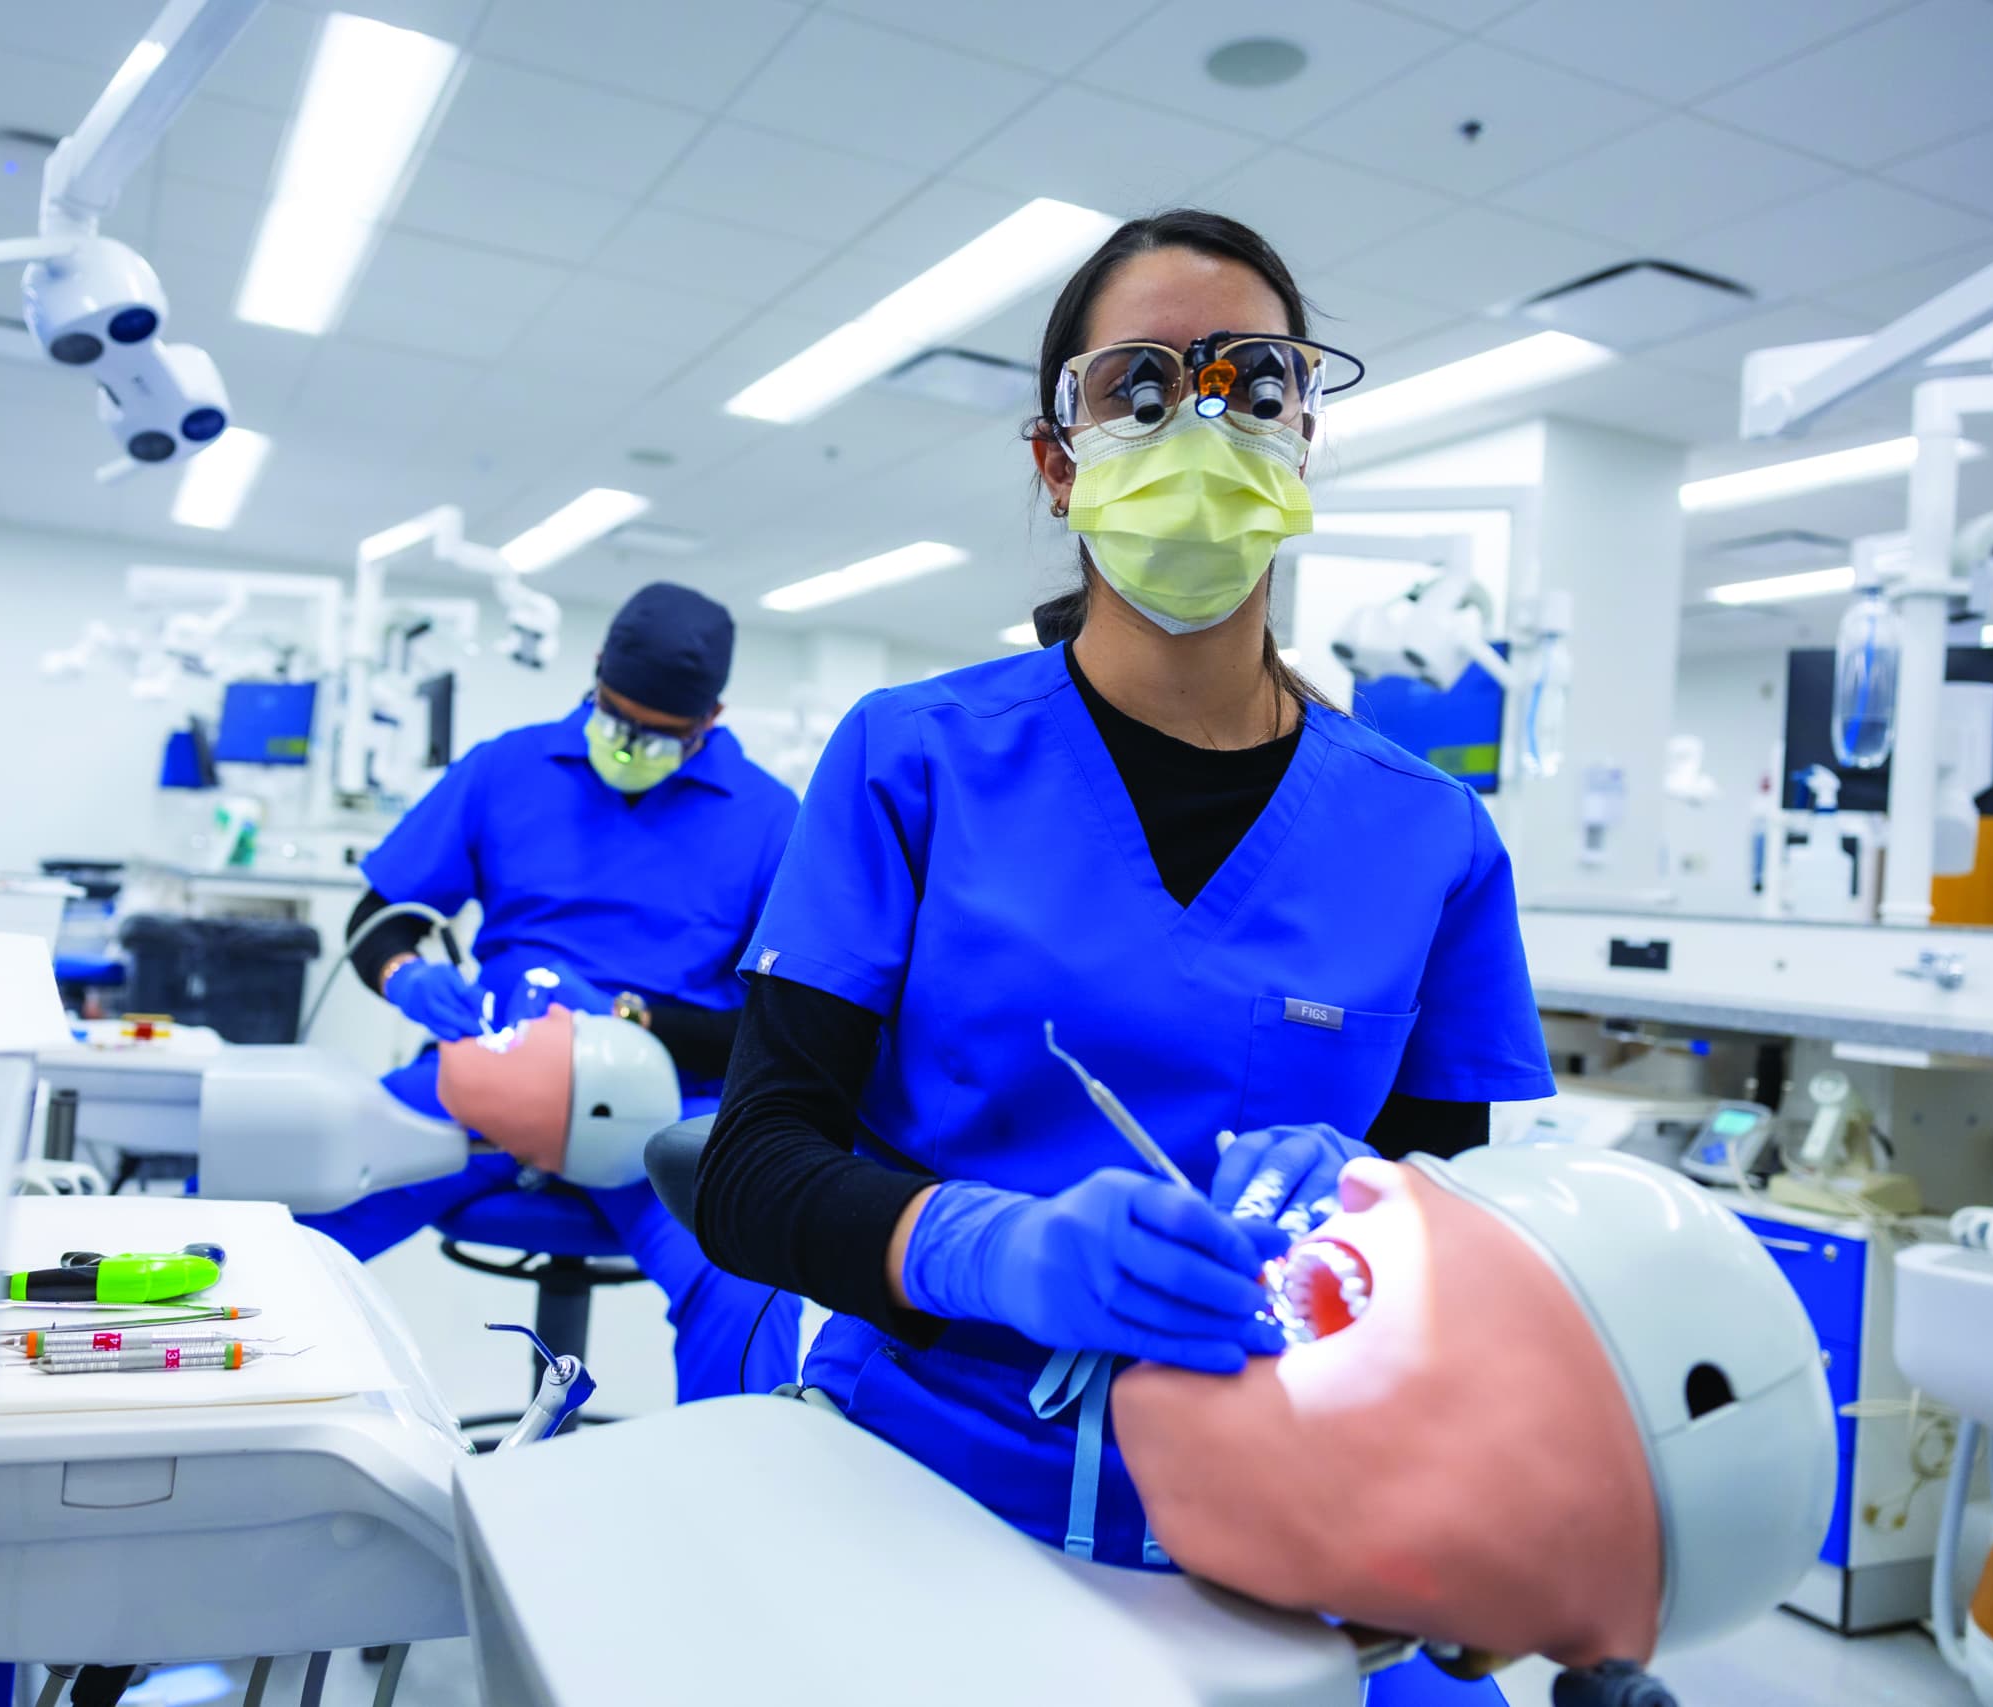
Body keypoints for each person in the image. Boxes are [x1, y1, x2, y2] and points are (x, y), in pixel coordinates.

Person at [693, 211, 1554, 1703]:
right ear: (1057, 458)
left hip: (1285, 1504)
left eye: (1256, 381)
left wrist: (1463, 1452)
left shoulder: (1430, 837)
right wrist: (991, 1246)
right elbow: (755, 1165)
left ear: (1307, 434)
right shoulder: (913, 760)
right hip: (924, 1465)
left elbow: (1454, 1236)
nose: (1204, 422)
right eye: (1142, 388)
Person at [308, 581, 801, 1401]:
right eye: (617, 714)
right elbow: (379, 917)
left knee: (751, 1288)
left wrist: (634, 1019)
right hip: (486, 1081)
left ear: (711, 718)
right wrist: (409, 977)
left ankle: (732, 1491)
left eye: (662, 733)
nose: (631, 742)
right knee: (292, 1199)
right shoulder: (507, 768)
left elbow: (785, 1016)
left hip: (664, 1113)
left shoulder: (770, 818)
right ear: (596, 675)